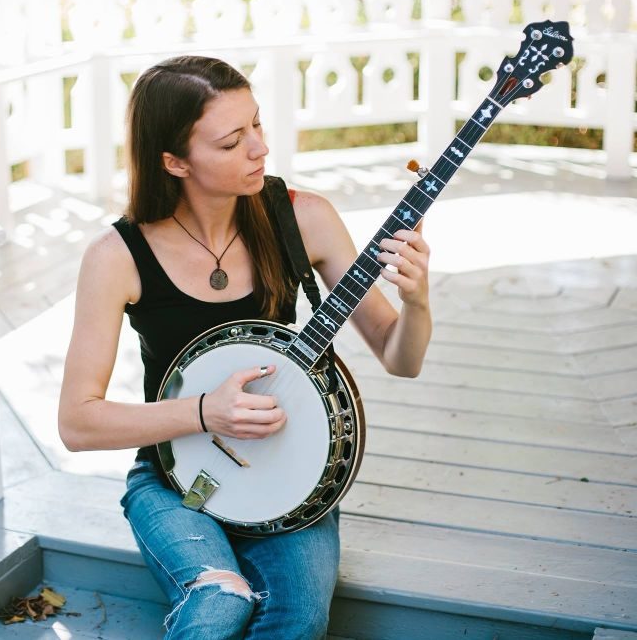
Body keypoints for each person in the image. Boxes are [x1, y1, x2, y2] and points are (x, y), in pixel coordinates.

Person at [57, 55, 432, 639]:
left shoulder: (303, 219)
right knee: (220, 604)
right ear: (174, 161)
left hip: (291, 483)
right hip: (174, 479)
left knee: (299, 618)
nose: (259, 148)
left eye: (256, 125)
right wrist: (205, 412)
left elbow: (398, 357)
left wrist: (417, 302)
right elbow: (77, 424)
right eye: (232, 141)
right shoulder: (118, 256)